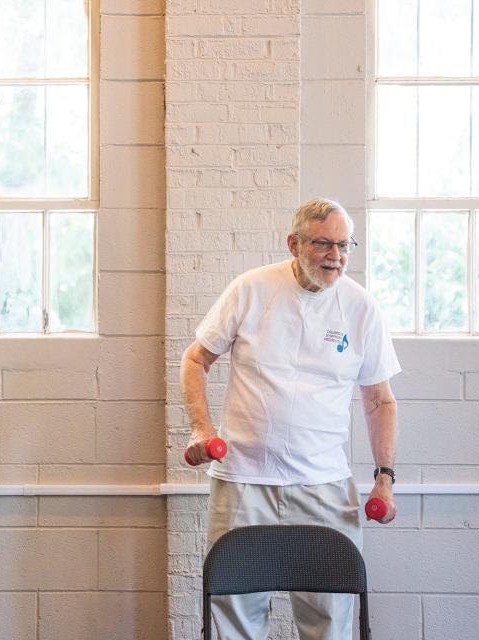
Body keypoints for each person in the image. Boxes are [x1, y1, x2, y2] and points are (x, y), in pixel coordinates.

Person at [180, 198, 400, 640]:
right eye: (323, 244)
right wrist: (202, 429)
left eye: (343, 245)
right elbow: (194, 358)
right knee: (235, 618)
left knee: (330, 622)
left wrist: (384, 479)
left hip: (324, 487)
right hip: (243, 481)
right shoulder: (250, 290)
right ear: (294, 243)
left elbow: (380, 401)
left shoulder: (361, 308)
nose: (335, 256)